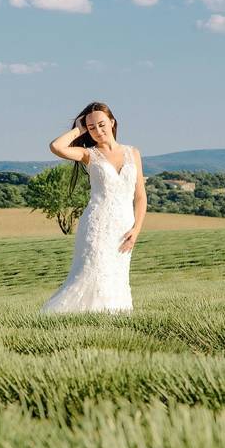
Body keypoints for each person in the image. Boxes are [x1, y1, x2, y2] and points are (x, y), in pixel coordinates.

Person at [40, 101, 146, 314]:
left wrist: (136, 230)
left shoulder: (132, 152)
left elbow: (141, 196)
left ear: (112, 122)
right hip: (97, 224)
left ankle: (113, 316)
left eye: (101, 124)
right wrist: (77, 130)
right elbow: (56, 147)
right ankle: (68, 315)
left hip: (124, 226)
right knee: (92, 270)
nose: (98, 131)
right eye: (91, 127)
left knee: (116, 272)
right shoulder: (89, 154)